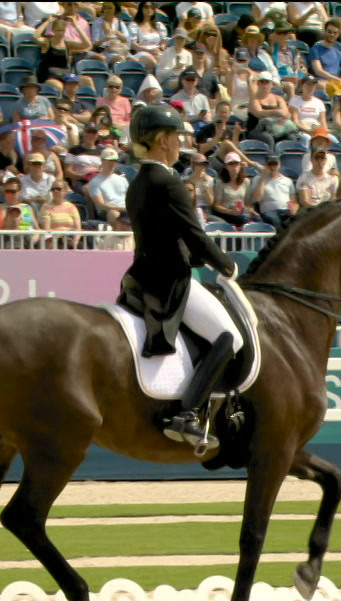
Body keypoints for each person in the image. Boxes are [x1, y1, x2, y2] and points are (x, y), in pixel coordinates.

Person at [116, 104, 240, 449]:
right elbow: (194, 235)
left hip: (140, 276)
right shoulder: (168, 182)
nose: (178, 145)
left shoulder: (138, 181)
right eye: (173, 138)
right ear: (159, 141)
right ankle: (188, 414)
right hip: (170, 279)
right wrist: (227, 266)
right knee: (228, 337)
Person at [87, 146, 131, 231]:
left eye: (114, 160)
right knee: (113, 214)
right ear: (102, 161)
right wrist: (122, 208)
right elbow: (101, 205)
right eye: (109, 160)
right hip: (108, 211)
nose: (112, 163)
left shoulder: (123, 180)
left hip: (125, 209)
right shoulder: (95, 182)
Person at [40, 180, 83, 247]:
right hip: (55, 239)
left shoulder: (72, 207)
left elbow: (78, 228)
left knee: (81, 246)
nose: (55, 191)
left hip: (70, 238)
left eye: (58, 189)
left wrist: (75, 241)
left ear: (65, 191)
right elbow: (47, 229)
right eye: (53, 189)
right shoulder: (46, 207)